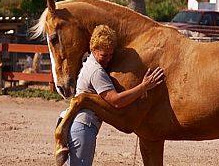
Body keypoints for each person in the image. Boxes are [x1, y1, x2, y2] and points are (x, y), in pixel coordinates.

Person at [58, 25, 164, 166]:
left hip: (81, 126)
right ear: (93, 50)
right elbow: (116, 101)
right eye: (104, 55)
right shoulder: (96, 72)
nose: (108, 59)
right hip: (83, 127)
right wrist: (144, 86)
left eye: (111, 55)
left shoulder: (90, 63)